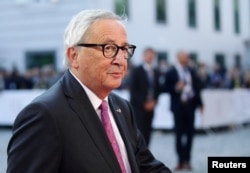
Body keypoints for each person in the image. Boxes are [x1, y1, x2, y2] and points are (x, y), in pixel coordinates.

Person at [7, 9, 172, 173]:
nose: (120, 60)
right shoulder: (44, 115)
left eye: (124, 49)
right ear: (74, 56)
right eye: (108, 48)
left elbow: (146, 166)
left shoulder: (121, 107)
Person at [163, 50, 203, 171]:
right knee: (179, 134)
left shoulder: (192, 71)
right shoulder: (171, 72)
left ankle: (187, 160)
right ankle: (180, 160)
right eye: (184, 57)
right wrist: (176, 87)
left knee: (190, 134)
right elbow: (165, 87)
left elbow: (197, 88)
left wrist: (200, 104)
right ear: (178, 57)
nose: (187, 59)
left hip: (190, 106)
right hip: (178, 106)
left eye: (187, 57)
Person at [129, 47, 162, 147]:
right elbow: (133, 90)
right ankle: (138, 158)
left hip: (151, 107)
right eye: (148, 54)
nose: (150, 57)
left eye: (152, 55)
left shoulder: (156, 72)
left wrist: (154, 101)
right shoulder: (137, 71)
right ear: (143, 56)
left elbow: (158, 89)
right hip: (139, 108)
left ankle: (146, 155)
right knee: (139, 132)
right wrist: (143, 103)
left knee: (148, 132)